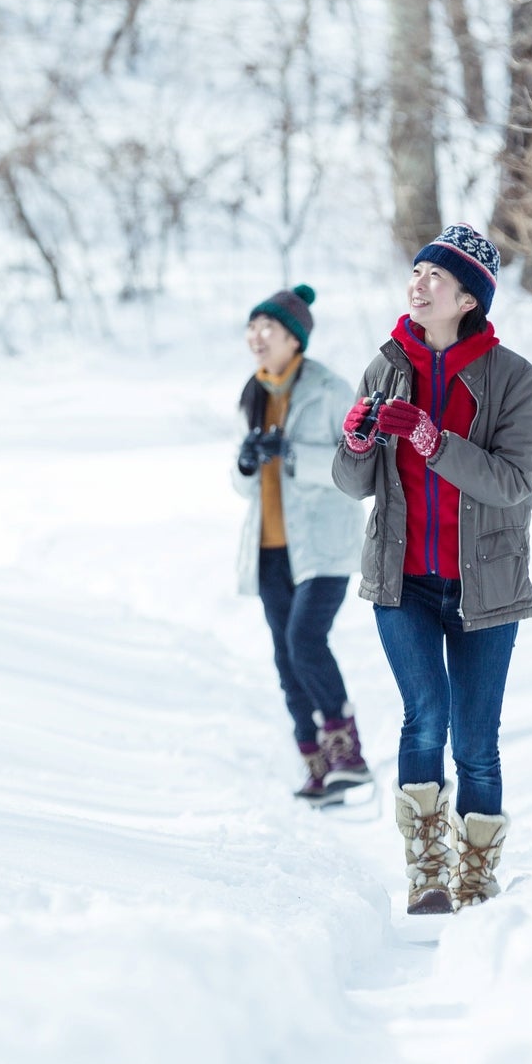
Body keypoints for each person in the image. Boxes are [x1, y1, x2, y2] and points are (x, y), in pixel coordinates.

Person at [331, 224, 532, 913]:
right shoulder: (385, 366)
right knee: (426, 718)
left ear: (467, 300)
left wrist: (432, 439)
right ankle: (426, 870)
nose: (417, 284)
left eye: (434, 277)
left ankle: (475, 872)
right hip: (404, 583)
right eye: (416, 272)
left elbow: (511, 482)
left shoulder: (513, 379)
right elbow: (353, 483)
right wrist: (358, 442)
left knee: (477, 741)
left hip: (488, 586)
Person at [232, 284, 373, 805]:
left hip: (323, 545)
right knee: (285, 657)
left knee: (305, 641)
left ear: (294, 338)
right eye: (251, 328)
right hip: (270, 548)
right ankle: (317, 765)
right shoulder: (253, 393)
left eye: (266, 328)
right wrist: (247, 464)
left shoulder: (330, 390)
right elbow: (241, 483)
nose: (256, 337)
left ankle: (347, 753)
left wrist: (291, 454)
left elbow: (356, 468)